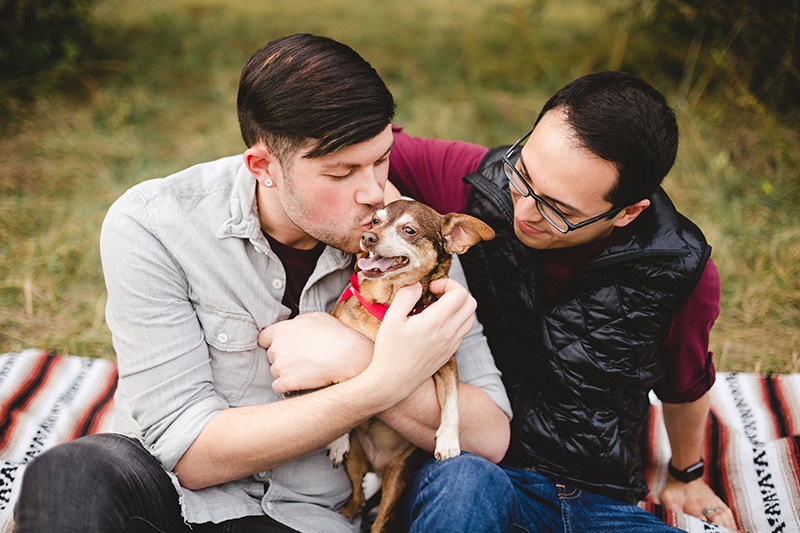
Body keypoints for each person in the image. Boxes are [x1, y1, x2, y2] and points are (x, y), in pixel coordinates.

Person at [13, 34, 513, 533]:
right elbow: (191, 452)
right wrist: (378, 382)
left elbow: (489, 435)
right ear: (262, 167)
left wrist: (350, 357)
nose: (374, 192)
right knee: (68, 475)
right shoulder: (154, 225)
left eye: (381, 159)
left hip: (306, 519)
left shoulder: (410, 245)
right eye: (341, 173)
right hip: (169, 497)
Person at [384, 71, 738, 531]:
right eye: (523, 174)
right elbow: (366, 142)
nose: (524, 211)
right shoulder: (475, 186)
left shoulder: (681, 272)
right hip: (473, 474)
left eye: (559, 209)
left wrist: (686, 474)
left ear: (628, 212)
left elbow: (685, 382)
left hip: (599, 499)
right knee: (463, 487)